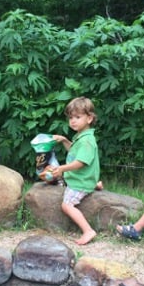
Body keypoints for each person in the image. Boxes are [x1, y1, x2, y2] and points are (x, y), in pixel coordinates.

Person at [51, 97, 100, 245]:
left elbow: (80, 162)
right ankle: (94, 184)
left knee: (66, 205)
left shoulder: (86, 141)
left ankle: (88, 230)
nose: (73, 121)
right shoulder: (81, 136)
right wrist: (65, 140)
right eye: (71, 117)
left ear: (89, 118)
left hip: (79, 181)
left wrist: (62, 168)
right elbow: (74, 151)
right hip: (84, 178)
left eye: (78, 117)